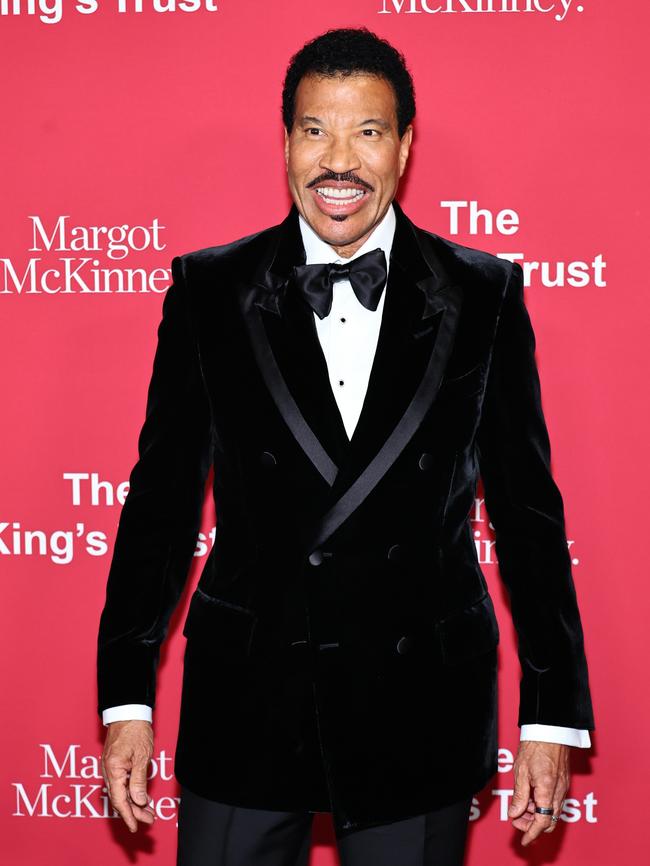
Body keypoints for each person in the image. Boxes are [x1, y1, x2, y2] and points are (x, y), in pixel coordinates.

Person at [97, 27, 595, 866]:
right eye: (315, 130)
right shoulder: (209, 291)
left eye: (366, 132)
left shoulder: (484, 295)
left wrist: (549, 711)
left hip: (419, 705)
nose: (339, 160)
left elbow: (529, 514)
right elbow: (158, 506)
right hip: (247, 700)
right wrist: (126, 701)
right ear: (286, 140)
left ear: (404, 146)